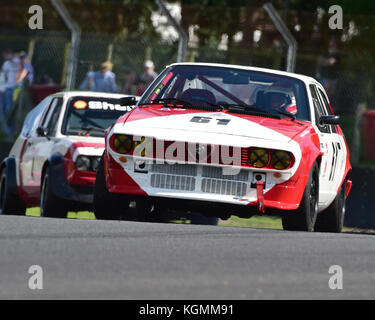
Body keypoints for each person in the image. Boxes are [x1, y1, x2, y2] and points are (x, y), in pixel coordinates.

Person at [0, 49, 20, 119]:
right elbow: (3, 75)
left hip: (13, 87)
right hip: (5, 88)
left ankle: (9, 121)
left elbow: (12, 58)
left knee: (9, 106)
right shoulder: (6, 63)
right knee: (3, 106)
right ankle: (5, 122)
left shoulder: (16, 61)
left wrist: (10, 57)